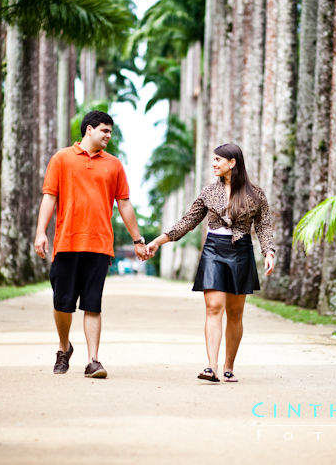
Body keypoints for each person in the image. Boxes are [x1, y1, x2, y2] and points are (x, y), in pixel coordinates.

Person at [146, 143, 275, 383]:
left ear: (232, 163)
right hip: (214, 250)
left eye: (218, 160)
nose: (214, 164)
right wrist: (159, 241)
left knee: (235, 313)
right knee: (214, 307)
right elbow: (188, 221)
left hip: (241, 251)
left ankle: (228, 366)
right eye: (213, 160)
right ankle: (211, 367)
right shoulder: (208, 192)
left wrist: (269, 252)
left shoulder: (256, 194)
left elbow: (264, 225)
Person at [34, 110, 148, 379]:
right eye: (104, 130)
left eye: (110, 131)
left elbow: (124, 204)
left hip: (99, 245)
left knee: (92, 304)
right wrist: (41, 232)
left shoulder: (114, 165)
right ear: (89, 129)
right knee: (62, 304)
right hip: (67, 242)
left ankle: (93, 361)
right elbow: (49, 197)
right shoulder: (61, 159)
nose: (109, 135)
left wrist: (137, 240)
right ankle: (64, 348)